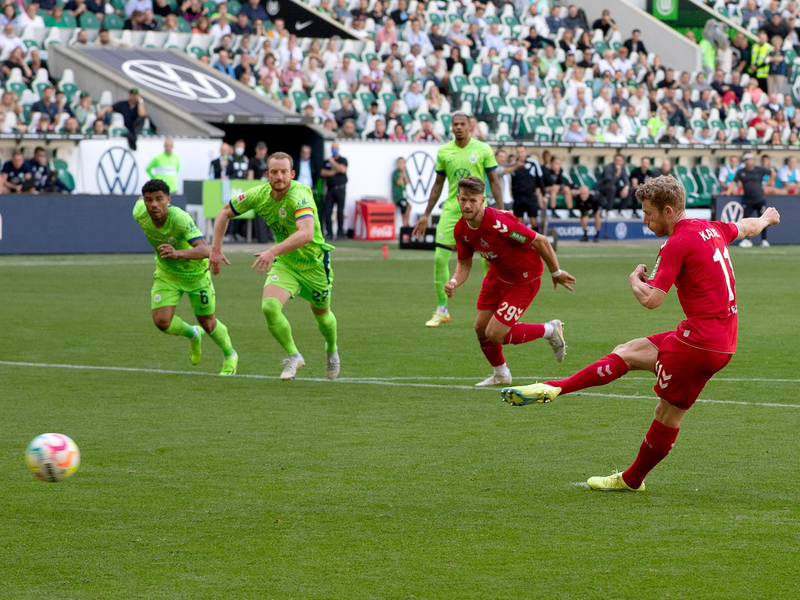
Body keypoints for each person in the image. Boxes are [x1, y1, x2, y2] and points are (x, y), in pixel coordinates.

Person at [501, 176, 781, 492]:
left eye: (648, 213)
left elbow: (652, 300)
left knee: (667, 414)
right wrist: (767, 218)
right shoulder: (712, 227)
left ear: (669, 210)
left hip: (699, 343)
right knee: (628, 350)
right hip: (717, 337)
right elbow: (746, 226)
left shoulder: (675, 243)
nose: (644, 220)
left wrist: (634, 278)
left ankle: (631, 479)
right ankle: (555, 388)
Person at [210, 152, 339, 380]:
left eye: (283, 172)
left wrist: (272, 250)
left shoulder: (299, 194)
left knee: (322, 315)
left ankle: (331, 348)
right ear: (267, 174)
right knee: (269, 306)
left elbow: (307, 233)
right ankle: (293, 355)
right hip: (286, 263)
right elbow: (223, 212)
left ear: (292, 174)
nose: (279, 177)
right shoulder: (259, 195)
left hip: (314, 265)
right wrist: (215, 250)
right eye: (274, 172)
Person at [446, 176, 574, 387]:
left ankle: (550, 330)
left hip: (524, 278)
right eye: (463, 199)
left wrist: (555, 272)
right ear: (457, 198)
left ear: (483, 200)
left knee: (495, 333)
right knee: (480, 327)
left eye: (473, 200)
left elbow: (540, 241)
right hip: (497, 275)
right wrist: (453, 281)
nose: (467, 205)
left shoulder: (499, 224)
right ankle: (501, 375)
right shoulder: (461, 229)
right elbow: (464, 265)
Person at [134, 179, 238, 376]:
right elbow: (140, 200)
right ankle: (193, 333)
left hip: (195, 275)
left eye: (159, 199)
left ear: (169, 199)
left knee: (208, 323)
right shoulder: (139, 212)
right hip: (168, 274)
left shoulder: (180, 218)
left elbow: (205, 249)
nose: (154, 204)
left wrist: (177, 253)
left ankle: (230, 355)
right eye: (149, 200)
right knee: (162, 322)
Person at [411, 112, 504, 328]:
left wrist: (502, 210)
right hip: (453, 210)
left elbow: (494, 181)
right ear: (451, 127)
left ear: (470, 126)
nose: (459, 127)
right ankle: (442, 310)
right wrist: (426, 214)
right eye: (455, 124)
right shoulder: (444, 151)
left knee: (488, 260)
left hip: (481, 211)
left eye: (463, 124)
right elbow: (438, 184)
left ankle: (494, 308)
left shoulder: (483, 149)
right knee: (439, 259)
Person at [725, 153, 773, 247]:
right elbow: (733, 182)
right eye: (746, 160)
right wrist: (728, 191)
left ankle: (764, 240)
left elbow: (772, 173)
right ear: (744, 161)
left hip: (760, 199)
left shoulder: (760, 169)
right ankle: (747, 240)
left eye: (750, 159)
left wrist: (770, 183)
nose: (748, 161)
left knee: (764, 219)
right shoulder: (741, 172)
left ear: (753, 160)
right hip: (748, 200)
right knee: (745, 220)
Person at [320, 143, 348, 240]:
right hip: (330, 189)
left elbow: (343, 170)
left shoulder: (342, 160)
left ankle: (340, 233)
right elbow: (323, 172)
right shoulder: (326, 161)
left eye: (335, 148)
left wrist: (333, 163)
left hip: (340, 189)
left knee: (340, 212)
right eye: (333, 148)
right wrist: (335, 171)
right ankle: (329, 233)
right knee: (327, 211)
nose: (334, 150)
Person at [392, 157, 411, 227]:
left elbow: (407, 182)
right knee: (407, 206)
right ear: (397, 164)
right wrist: (402, 173)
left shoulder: (405, 172)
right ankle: (405, 224)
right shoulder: (395, 173)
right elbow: (398, 183)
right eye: (400, 163)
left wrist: (404, 173)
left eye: (403, 162)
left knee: (405, 208)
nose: (401, 164)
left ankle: (405, 225)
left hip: (404, 196)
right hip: (398, 196)